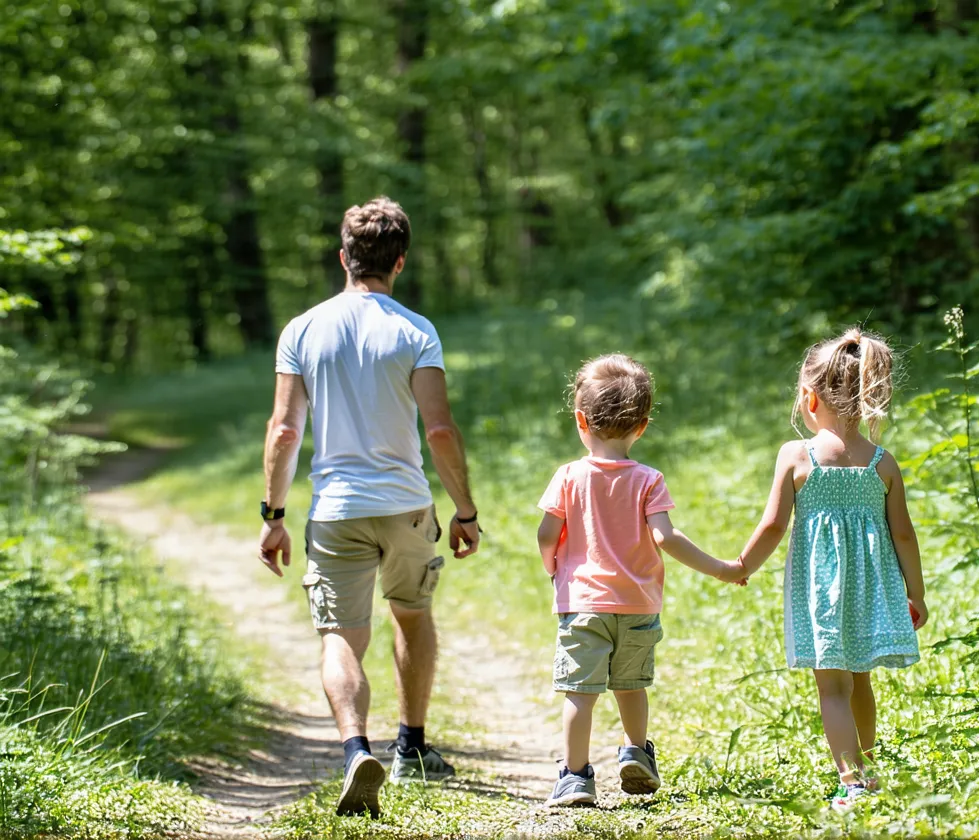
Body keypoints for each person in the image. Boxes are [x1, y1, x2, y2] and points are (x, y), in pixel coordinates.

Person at [257, 196, 481, 819]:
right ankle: (411, 746)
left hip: (336, 510)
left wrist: (272, 518)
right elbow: (439, 430)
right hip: (407, 506)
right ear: (400, 263)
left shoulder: (301, 330)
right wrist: (464, 510)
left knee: (340, 638)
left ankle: (357, 749)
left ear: (343, 258)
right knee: (412, 615)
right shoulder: (416, 330)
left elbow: (283, 430)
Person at [536, 354, 746, 808]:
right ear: (643, 425)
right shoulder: (649, 480)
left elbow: (547, 533)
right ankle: (636, 752)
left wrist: (552, 566)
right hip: (637, 604)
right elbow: (666, 537)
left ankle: (574, 777)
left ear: (580, 420)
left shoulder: (568, 476)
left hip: (583, 603)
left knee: (580, 692)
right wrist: (723, 568)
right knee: (631, 685)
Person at [734, 328, 926, 811]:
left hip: (822, 591)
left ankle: (852, 781)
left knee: (832, 687)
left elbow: (774, 524)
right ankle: (869, 770)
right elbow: (903, 533)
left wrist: (741, 565)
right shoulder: (883, 463)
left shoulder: (797, 456)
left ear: (808, 398)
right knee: (860, 679)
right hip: (872, 589)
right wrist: (916, 594)